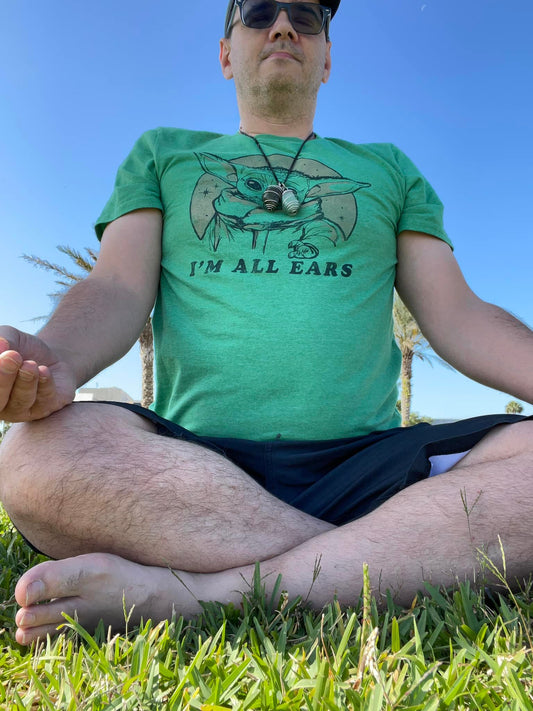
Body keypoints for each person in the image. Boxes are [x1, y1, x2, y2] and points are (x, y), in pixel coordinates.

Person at [0, 0, 532, 647]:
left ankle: (196, 595)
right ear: (226, 53)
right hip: (188, 472)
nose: (283, 26)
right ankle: (391, 557)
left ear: (327, 58)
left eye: (307, 18)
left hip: (365, 468)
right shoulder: (165, 155)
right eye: (257, 12)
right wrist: (54, 356)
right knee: (34, 457)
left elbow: (458, 314)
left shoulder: (390, 169)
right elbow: (114, 285)